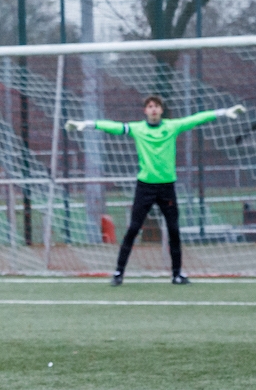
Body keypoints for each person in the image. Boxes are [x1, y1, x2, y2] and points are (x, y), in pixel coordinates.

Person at [65, 96, 245, 285]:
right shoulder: (138, 129)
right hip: (145, 187)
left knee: (174, 230)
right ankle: (118, 273)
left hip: (167, 188)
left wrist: (224, 112)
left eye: (156, 106)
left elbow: (196, 118)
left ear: (161, 110)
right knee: (133, 229)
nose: (153, 109)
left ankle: (177, 274)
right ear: (145, 110)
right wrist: (86, 124)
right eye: (150, 106)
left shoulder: (172, 127)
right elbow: (114, 127)